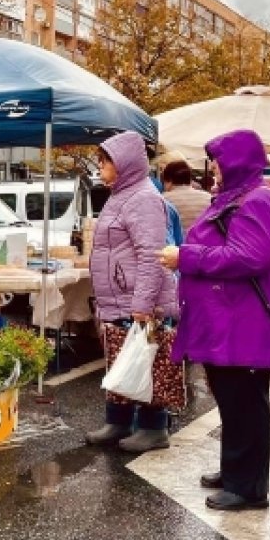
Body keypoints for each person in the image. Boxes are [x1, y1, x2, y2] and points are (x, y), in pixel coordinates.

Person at [157, 129, 270, 512]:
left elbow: (248, 257)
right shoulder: (236, 196)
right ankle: (235, 469)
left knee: (245, 403)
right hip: (231, 319)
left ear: (236, 160)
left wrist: (186, 257)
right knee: (233, 400)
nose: (213, 167)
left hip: (247, 321)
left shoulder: (257, 200)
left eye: (218, 159)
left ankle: (249, 488)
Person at [85, 131, 177, 453]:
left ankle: (154, 427)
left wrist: (143, 303)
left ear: (123, 164)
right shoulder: (120, 195)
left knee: (148, 362)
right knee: (123, 361)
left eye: (105, 161)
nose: (100, 167)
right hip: (118, 300)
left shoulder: (144, 198)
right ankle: (118, 421)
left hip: (136, 301)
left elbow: (153, 254)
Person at [159, 154, 213, 236]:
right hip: (203, 245)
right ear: (190, 179)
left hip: (175, 247)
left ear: (168, 181)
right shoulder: (209, 198)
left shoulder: (162, 200)